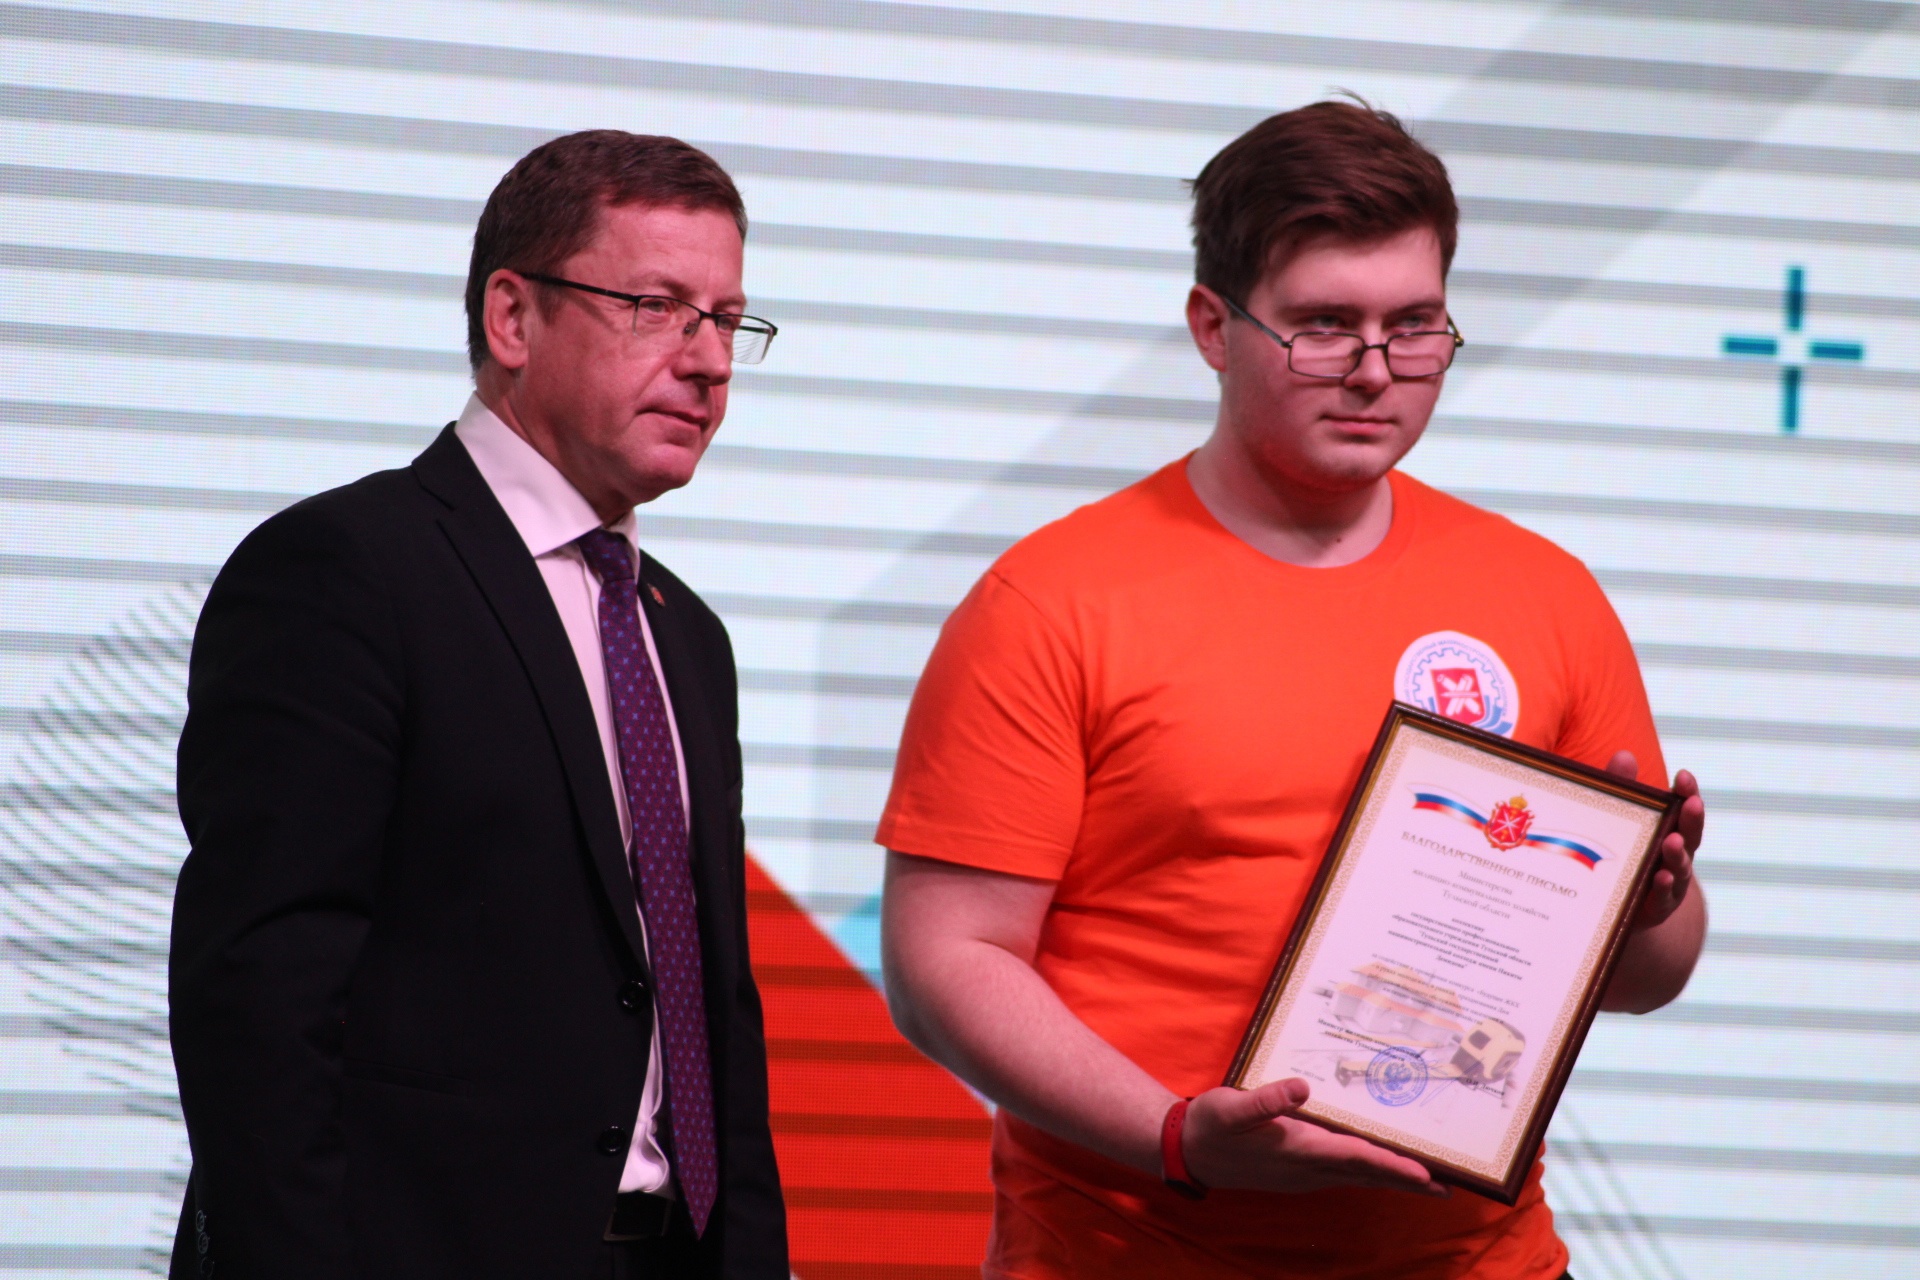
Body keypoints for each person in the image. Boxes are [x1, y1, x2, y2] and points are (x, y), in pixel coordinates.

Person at [877, 100, 1707, 1279]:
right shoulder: (1054, 600)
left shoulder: (1545, 595)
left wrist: (1650, 907)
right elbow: (946, 960)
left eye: (1413, 326)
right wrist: (1178, 1135)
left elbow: (1641, 982)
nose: (1374, 371)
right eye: (1324, 326)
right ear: (1213, 327)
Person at [169, 131, 788, 1280]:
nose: (708, 361)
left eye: (727, 320)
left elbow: (715, 1020)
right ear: (513, 317)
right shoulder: (345, 570)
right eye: (657, 307)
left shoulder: (687, 636)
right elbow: (260, 1004)